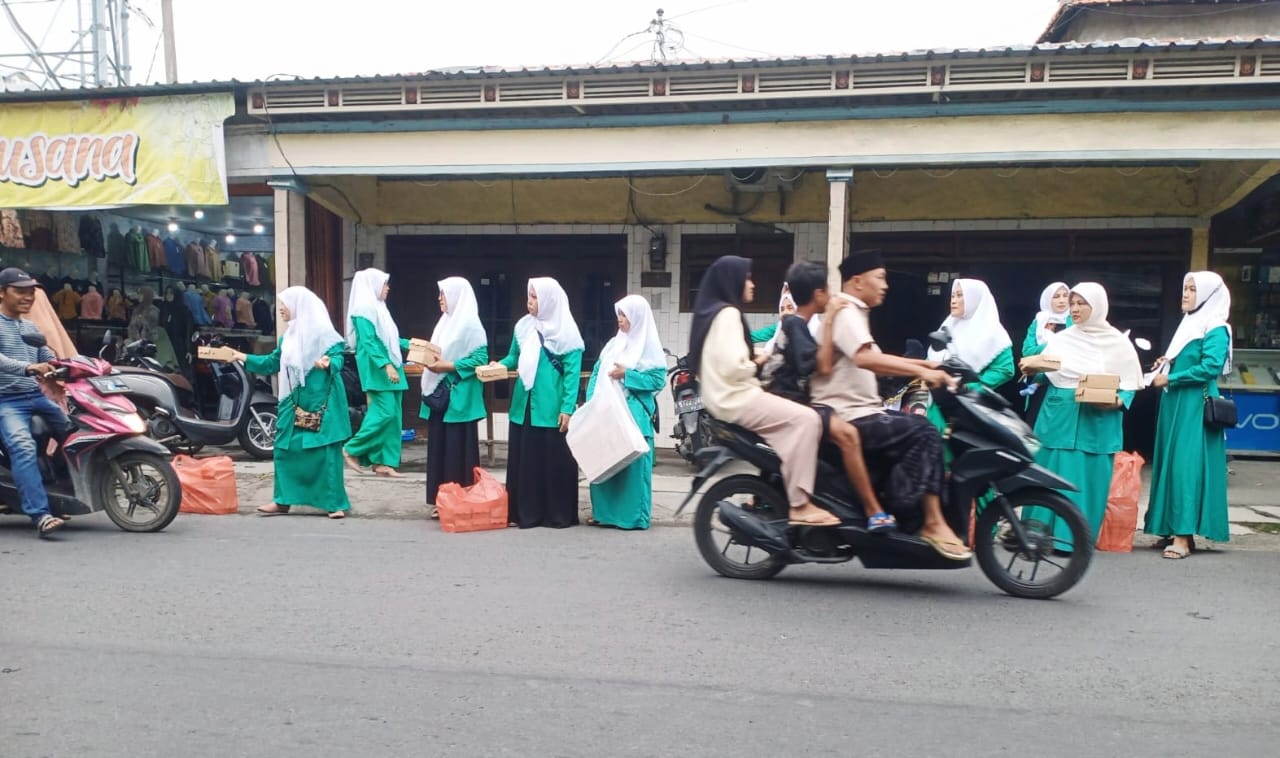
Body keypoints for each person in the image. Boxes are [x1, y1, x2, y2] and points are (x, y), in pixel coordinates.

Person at [809, 249, 972, 558]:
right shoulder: (847, 312)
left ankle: (905, 511)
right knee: (923, 432)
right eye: (880, 278)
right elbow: (865, 358)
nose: (885, 285)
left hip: (861, 409)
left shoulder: (854, 313)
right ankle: (932, 523)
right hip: (848, 414)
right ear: (857, 281)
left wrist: (927, 365)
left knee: (915, 428)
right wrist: (921, 369)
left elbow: (871, 359)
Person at [690, 255, 838, 527]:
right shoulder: (728, 314)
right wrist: (756, 362)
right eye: (747, 278)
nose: (752, 284)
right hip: (737, 397)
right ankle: (799, 504)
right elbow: (734, 366)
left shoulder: (717, 313)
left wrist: (754, 357)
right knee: (807, 420)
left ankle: (774, 493)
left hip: (725, 397)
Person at [761, 261, 897, 531]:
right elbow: (814, 366)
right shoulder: (795, 324)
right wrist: (833, 319)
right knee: (847, 435)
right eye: (829, 290)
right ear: (818, 294)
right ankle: (869, 510)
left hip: (795, 401)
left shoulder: (803, 325)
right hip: (787, 401)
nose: (834, 297)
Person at [1018, 282, 1143, 545]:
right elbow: (1048, 370)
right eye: (1072, 303)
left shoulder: (1118, 343)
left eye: (1080, 303)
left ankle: (1073, 540)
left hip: (1096, 419)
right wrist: (1032, 369)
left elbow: (1131, 383)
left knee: (1087, 476)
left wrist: (1119, 401)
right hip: (1057, 414)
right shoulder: (1062, 339)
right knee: (1048, 472)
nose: (1074, 309)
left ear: (1097, 306)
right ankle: (1035, 534)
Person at [228, 287, 352, 518]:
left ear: (300, 307)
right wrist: (242, 357)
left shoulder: (325, 335)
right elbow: (271, 363)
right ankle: (283, 500)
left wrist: (327, 363)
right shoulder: (289, 338)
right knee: (285, 448)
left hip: (321, 400)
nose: (281, 310)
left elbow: (338, 358)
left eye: (285, 305)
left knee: (324, 452)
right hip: (292, 400)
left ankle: (334, 503)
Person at [1144, 271, 1232, 559]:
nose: (1185, 294)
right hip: (1177, 404)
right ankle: (1171, 528)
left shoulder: (1216, 326)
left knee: (1186, 467)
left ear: (1208, 295)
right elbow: (1187, 359)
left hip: (1195, 405)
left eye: (1193, 289)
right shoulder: (1189, 323)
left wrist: (1170, 378)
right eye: (1185, 288)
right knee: (1170, 464)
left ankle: (1183, 536)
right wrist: (1167, 365)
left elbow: (1210, 367)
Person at [486, 277, 584, 528]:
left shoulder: (567, 332)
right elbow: (513, 356)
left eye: (535, 297)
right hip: (524, 404)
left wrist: (567, 409)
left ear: (549, 300)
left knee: (553, 461)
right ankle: (524, 514)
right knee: (526, 460)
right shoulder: (523, 326)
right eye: (529, 296)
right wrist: (500, 365)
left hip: (551, 408)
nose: (529, 302)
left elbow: (572, 377)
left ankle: (556, 515)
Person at [0, 268, 72, 538]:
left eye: (31, 292)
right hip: (6, 401)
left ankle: (63, 495)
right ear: (2, 293)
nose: (28, 297)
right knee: (22, 446)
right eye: (20, 291)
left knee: (77, 433)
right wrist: (29, 367)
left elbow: (47, 354)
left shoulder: (30, 327)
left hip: (35, 397)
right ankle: (40, 514)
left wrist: (66, 366)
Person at [584, 294, 666, 530]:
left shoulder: (648, 347)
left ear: (638, 317)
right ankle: (604, 514)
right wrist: (591, 404)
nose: (620, 320)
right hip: (607, 414)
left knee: (632, 469)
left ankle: (633, 516)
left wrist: (627, 375)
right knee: (606, 464)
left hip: (634, 416)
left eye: (625, 315)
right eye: (618, 314)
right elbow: (597, 374)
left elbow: (657, 379)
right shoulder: (613, 345)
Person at [420, 276, 489, 519]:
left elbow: (480, 358)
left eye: (443, 294)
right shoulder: (444, 323)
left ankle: (461, 498)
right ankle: (442, 500)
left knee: (458, 450)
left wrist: (448, 366)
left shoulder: (470, 324)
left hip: (459, 399)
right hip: (441, 398)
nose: (439, 299)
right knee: (440, 449)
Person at [924, 278, 1015, 437]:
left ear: (974, 299)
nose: (954, 301)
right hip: (938, 402)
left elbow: (1006, 369)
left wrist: (972, 387)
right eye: (953, 296)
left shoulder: (993, 332)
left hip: (969, 405)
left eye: (960, 295)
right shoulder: (948, 325)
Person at [343, 268, 408, 478]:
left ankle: (384, 462)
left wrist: (413, 344)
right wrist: (386, 365)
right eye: (385, 284)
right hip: (377, 367)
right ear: (373, 285)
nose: (388, 288)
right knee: (384, 412)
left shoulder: (380, 309)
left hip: (391, 365)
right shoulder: (363, 310)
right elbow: (369, 342)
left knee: (394, 415)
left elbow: (390, 340)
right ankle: (352, 448)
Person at [1020, 281, 1071, 422]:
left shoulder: (1075, 321)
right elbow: (1028, 352)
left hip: (1067, 382)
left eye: (1065, 295)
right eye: (1056, 296)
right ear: (1048, 299)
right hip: (1039, 385)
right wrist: (1051, 343)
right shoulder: (1039, 322)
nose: (1061, 300)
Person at [128, 287, 179, 370]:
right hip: (137, 342)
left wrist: (141, 321)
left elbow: (151, 326)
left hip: (152, 342)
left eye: (141, 295)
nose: (139, 297)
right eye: (139, 295)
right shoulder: (136, 310)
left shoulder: (154, 310)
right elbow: (132, 326)